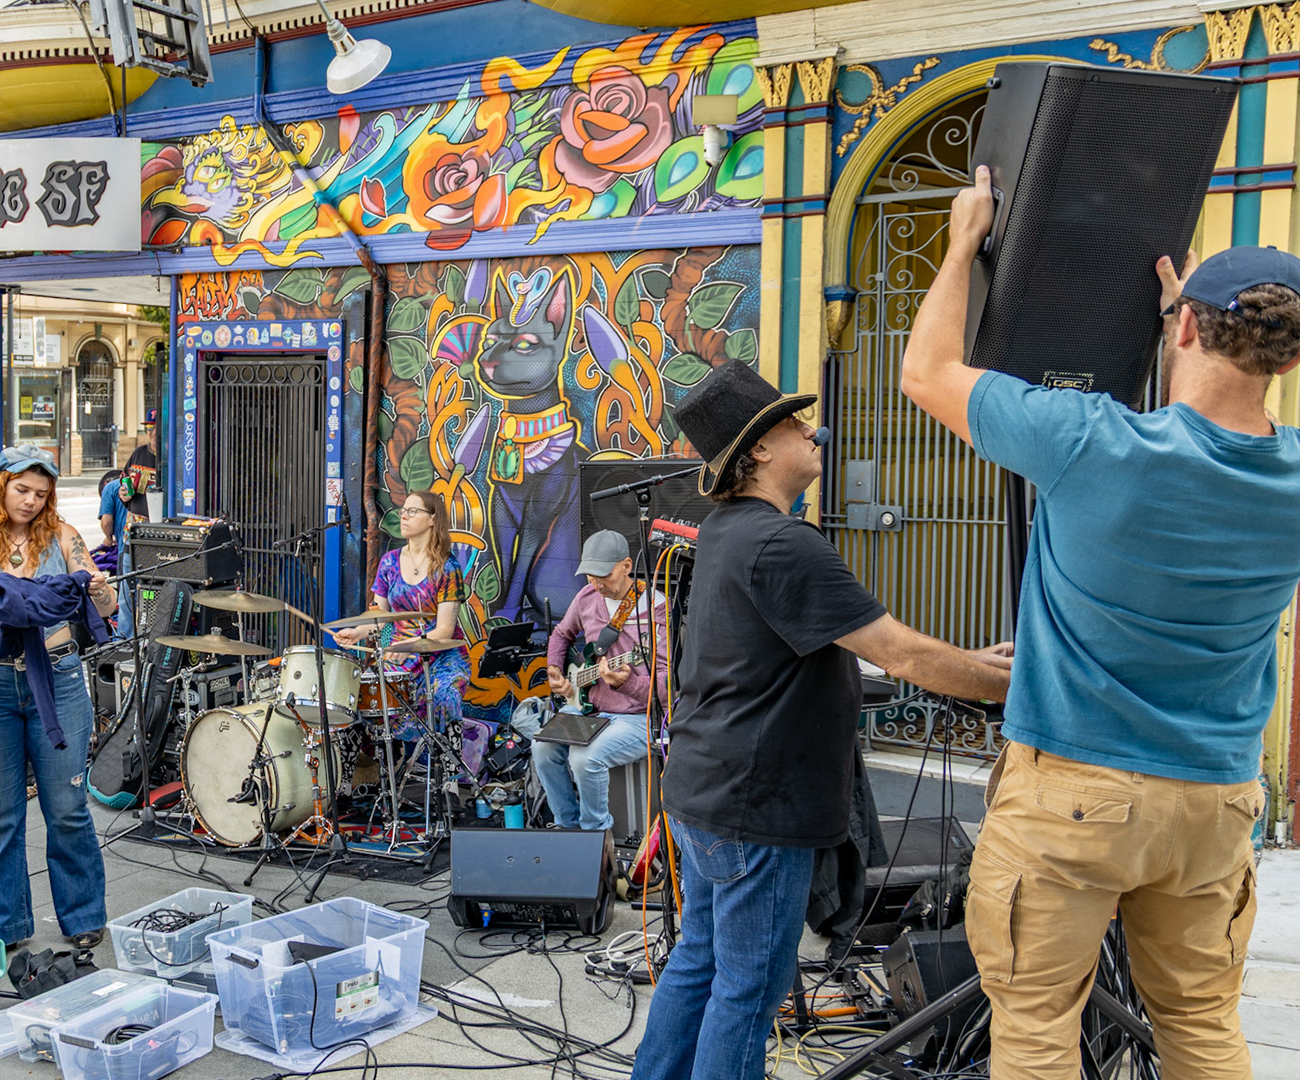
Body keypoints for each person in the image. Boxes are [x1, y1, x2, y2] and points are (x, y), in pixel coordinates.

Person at [900, 168, 1300, 1080]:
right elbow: (1217, 442)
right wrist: (1189, 324)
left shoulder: (1091, 441)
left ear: (1187, 326)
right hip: (1215, 803)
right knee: (1203, 1027)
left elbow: (926, 373)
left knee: (1038, 1029)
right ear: (1288, 359)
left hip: (1075, 794)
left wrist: (962, 240)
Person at [630, 360, 1012, 1080]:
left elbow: (851, 643)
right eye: (793, 423)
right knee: (748, 989)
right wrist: (1007, 680)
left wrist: (970, 660)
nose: (814, 430)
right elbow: (895, 650)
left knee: (699, 963)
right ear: (760, 450)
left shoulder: (727, 532)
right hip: (753, 805)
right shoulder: (785, 543)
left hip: (705, 793)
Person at [0, 444, 116, 951]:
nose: (31, 501)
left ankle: (83, 915)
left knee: (66, 808)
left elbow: (107, 607)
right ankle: (1, 925)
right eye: (22, 490)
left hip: (58, 678)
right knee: (1, 816)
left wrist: (100, 590)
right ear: (0, 486)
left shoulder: (64, 537)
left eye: (41, 494)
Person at [533, 529, 664, 831]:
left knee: (583, 759)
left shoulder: (656, 609)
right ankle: (567, 827)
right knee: (542, 748)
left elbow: (666, 689)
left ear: (626, 566)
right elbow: (561, 634)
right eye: (590, 575)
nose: (596, 583)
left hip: (636, 716)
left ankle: (595, 835)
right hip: (589, 707)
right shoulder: (587, 596)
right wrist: (555, 668)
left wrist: (627, 684)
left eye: (603, 575)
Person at [332, 490, 471, 746]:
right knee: (360, 696)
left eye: (413, 511)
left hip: (441, 657)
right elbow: (379, 614)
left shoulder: (447, 567)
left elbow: (445, 630)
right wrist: (357, 631)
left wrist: (411, 646)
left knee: (444, 696)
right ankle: (367, 772)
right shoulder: (389, 563)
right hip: (397, 654)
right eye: (403, 510)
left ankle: (448, 776)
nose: (404, 515)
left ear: (432, 519)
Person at [122, 409, 158, 519]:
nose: (154, 433)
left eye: (159, 427)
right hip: (135, 521)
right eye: (150, 427)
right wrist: (123, 494)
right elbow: (124, 478)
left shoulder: (173, 458)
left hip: (161, 522)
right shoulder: (138, 453)